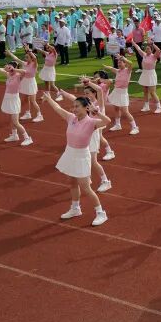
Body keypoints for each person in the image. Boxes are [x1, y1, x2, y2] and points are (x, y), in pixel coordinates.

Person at [40, 92, 112, 226]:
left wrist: (97, 112)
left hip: (81, 156)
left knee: (85, 187)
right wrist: (49, 99)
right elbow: (57, 108)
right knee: (72, 183)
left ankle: (101, 213)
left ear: (86, 108)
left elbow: (107, 121)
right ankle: (75, 208)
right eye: (73, 106)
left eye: (77, 106)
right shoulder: (71, 118)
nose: (74, 109)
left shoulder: (91, 122)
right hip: (69, 153)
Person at [0, 61, 34, 147]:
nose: (8, 68)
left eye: (10, 66)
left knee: (16, 122)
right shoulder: (8, 75)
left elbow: (25, 72)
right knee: (11, 119)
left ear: (14, 67)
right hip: (8, 98)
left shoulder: (18, 76)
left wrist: (14, 69)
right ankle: (14, 135)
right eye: (8, 66)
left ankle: (27, 138)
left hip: (14, 99)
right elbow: (1, 70)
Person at [103, 53, 139, 135]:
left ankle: (135, 127)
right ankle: (118, 125)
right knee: (116, 109)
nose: (119, 64)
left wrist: (123, 58)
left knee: (125, 111)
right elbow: (111, 68)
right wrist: (105, 67)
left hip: (123, 93)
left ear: (125, 63)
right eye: (118, 63)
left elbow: (131, 63)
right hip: (116, 91)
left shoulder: (128, 70)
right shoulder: (118, 71)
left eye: (120, 62)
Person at [6, 48, 43, 123]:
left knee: (33, 101)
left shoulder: (34, 64)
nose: (25, 58)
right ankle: (28, 113)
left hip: (31, 83)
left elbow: (35, 58)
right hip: (25, 82)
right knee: (26, 99)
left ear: (31, 58)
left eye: (27, 57)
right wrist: (10, 53)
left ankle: (39, 115)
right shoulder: (25, 63)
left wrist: (29, 51)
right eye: (25, 57)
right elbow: (16, 58)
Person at [133, 40, 161, 114]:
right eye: (146, 49)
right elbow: (138, 48)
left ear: (151, 50)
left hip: (151, 74)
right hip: (144, 74)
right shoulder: (144, 55)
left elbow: (158, 50)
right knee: (145, 91)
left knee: (152, 92)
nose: (147, 50)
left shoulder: (154, 56)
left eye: (148, 49)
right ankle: (146, 106)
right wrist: (133, 42)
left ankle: (159, 107)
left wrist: (153, 44)